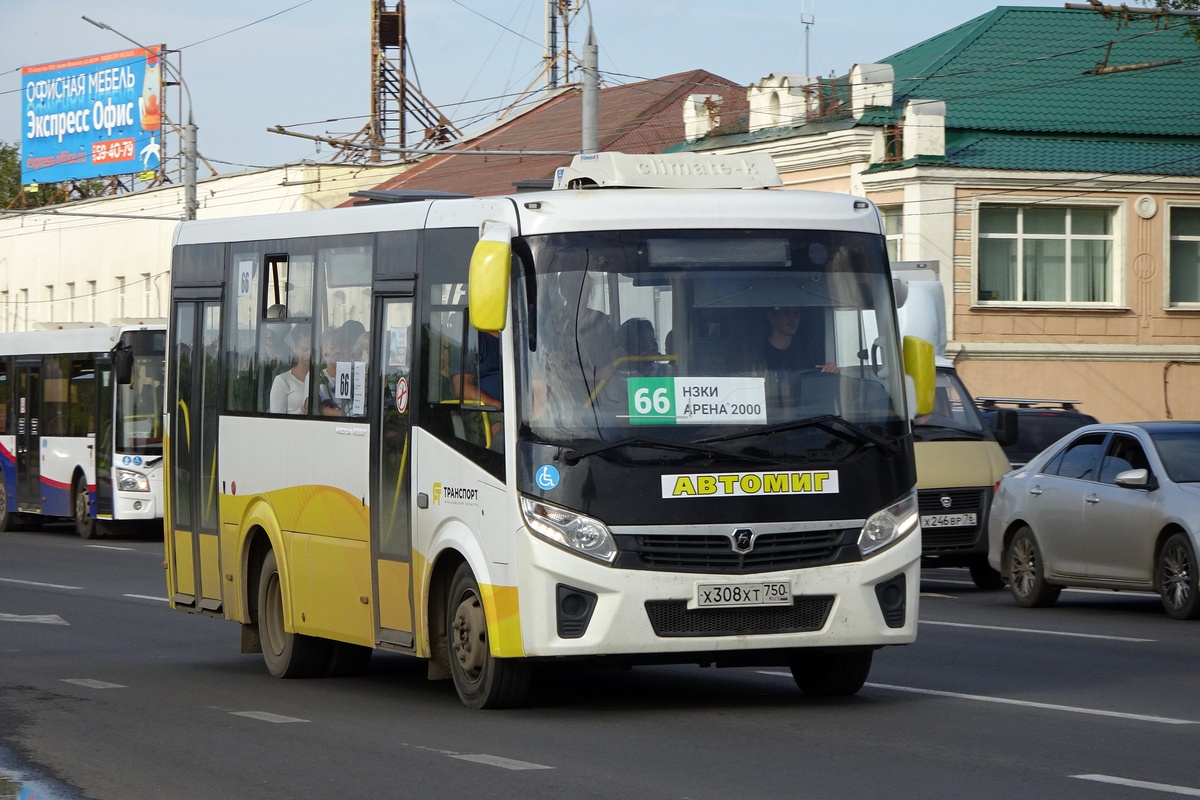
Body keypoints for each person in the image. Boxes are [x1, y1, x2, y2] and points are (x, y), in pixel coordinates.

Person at [761, 305, 838, 374]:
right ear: (771, 317)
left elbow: (819, 373)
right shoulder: (760, 352)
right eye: (786, 313)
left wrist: (830, 368)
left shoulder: (807, 350)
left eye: (796, 313)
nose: (792, 319)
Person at [269, 323, 311, 414]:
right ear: (295, 348)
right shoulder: (282, 381)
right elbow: (276, 422)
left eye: (314, 349)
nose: (310, 353)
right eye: (305, 349)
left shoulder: (322, 378)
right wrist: (303, 409)